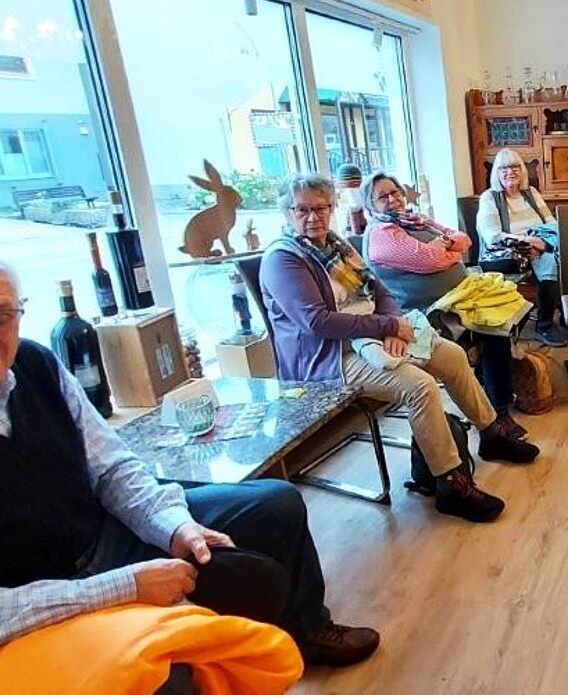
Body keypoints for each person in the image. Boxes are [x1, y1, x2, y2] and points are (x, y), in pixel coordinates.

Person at [0, 261, 378, 667]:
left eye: (3, 314)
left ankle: (306, 631)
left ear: (19, 313)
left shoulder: (37, 363)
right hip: (45, 595)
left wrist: (175, 527)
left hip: (106, 535)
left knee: (278, 504)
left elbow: (112, 468)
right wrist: (123, 587)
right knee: (172, 678)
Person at [259, 174, 538, 524]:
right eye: (302, 210)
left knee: (452, 356)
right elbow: (318, 322)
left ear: (331, 208)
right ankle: (450, 484)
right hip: (330, 356)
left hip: (371, 334)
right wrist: (387, 327)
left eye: (321, 208)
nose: (313, 217)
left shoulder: (337, 246)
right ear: (286, 212)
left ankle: (492, 433)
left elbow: (381, 292)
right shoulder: (283, 259)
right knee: (420, 387)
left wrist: (393, 324)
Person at [359, 171, 528, 438]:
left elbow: (463, 240)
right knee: (495, 329)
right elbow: (429, 261)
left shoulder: (415, 221)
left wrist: (443, 248)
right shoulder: (382, 234)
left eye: (395, 192)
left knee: (512, 309)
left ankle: (489, 391)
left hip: (459, 295)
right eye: (382, 197)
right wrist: (448, 253)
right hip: (428, 310)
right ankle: (499, 412)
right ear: (370, 206)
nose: (392, 199)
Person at [476, 148, 568, 348]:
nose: (510, 172)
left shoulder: (531, 193)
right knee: (550, 260)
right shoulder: (489, 198)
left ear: (522, 170)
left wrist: (543, 244)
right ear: (496, 173)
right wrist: (529, 242)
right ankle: (544, 325)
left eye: (515, 166)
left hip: (540, 245)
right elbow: (492, 236)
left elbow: (552, 224)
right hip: (507, 253)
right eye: (504, 168)